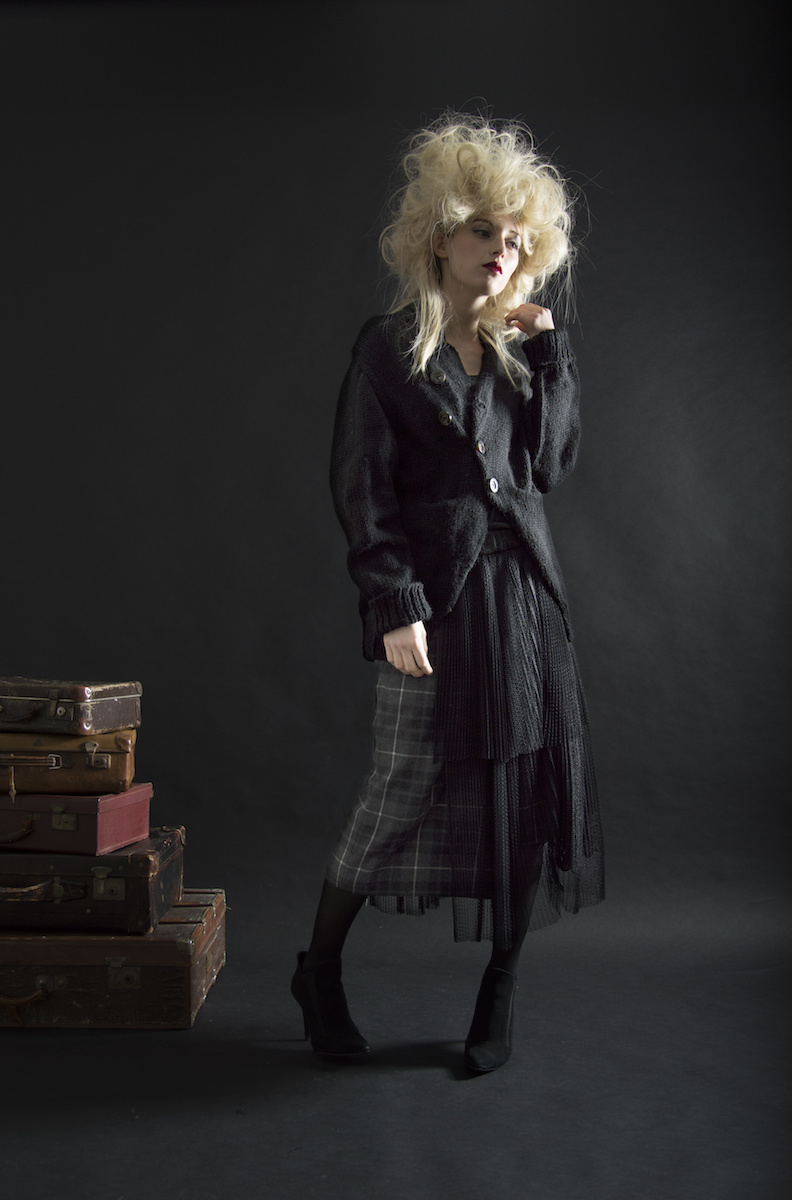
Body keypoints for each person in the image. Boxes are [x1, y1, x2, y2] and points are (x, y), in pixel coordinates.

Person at [291, 115, 604, 1073]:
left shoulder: (520, 352)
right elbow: (363, 487)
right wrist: (394, 603)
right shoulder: (389, 349)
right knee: (398, 788)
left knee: (524, 796)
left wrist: (548, 352)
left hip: (525, 602)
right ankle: (319, 971)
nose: (501, 250)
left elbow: (548, 468)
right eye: (483, 231)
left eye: (516, 238)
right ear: (440, 236)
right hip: (437, 601)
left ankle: (498, 994)